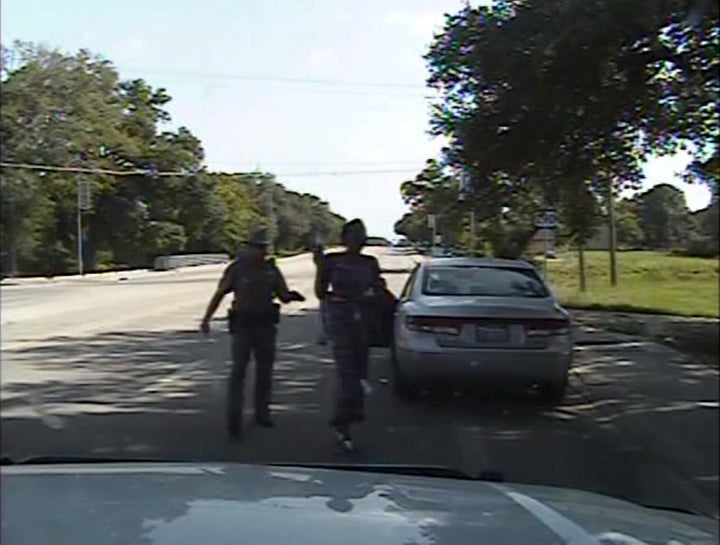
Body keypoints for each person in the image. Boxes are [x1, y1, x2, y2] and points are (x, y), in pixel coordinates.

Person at [200, 226, 305, 441]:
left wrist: (293, 296)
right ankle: (234, 419)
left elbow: (283, 295)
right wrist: (207, 318)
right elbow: (220, 293)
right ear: (248, 248)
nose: (261, 252)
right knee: (238, 372)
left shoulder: (271, 270)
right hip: (243, 325)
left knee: (264, 371)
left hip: (265, 325)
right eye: (257, 248)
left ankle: (262, 413)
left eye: (263, 248)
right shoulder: (237, 269)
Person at [315, 218, 382, 452]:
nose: (358, 241)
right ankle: (342, 424)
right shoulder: (333, 261)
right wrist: (319, 267)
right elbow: (320, 292)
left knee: (360, 370)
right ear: (344, 239)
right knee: (348, 373)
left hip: (362, 318)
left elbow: (379, 289)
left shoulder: (370, 262)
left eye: (361, 236)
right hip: (340, 318)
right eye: (353, 236)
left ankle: (352, 416)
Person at [312, 240, 329, 346]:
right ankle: (323, 336)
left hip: (323, 285)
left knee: (323, 313)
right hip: (323, 285)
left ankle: (323, 336)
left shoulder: (321, 259)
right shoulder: (321, 259)